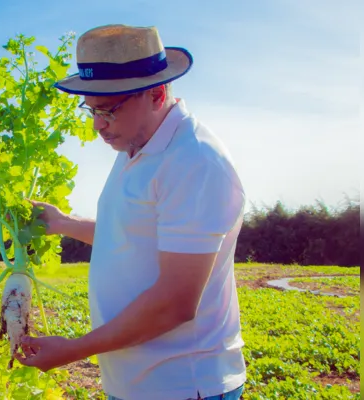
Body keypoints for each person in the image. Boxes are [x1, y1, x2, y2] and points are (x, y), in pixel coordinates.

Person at [14, 24, 247, 400]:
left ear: (156, 93)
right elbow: (134, 234)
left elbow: (175, 303)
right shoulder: (135, 145)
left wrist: (74, 348)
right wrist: (64, 223)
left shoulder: (194, 161)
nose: (96, 126)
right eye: (90, 110)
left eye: (107, 111)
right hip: (134, 382)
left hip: (182, 386)